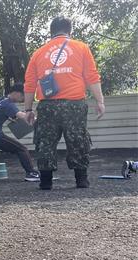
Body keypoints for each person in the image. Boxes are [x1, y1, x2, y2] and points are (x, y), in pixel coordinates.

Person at [24, 16, 105, 190]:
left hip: (47, 106)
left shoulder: (38, 53)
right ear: (70, 30)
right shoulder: (81, 48)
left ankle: (46, 182)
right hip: (74, 104)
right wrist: (100, 101)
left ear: (51, 31)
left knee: (45, 141)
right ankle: (81, 180)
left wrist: (28, 109)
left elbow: (29, 84)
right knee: (77, 139)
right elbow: (91, 77)